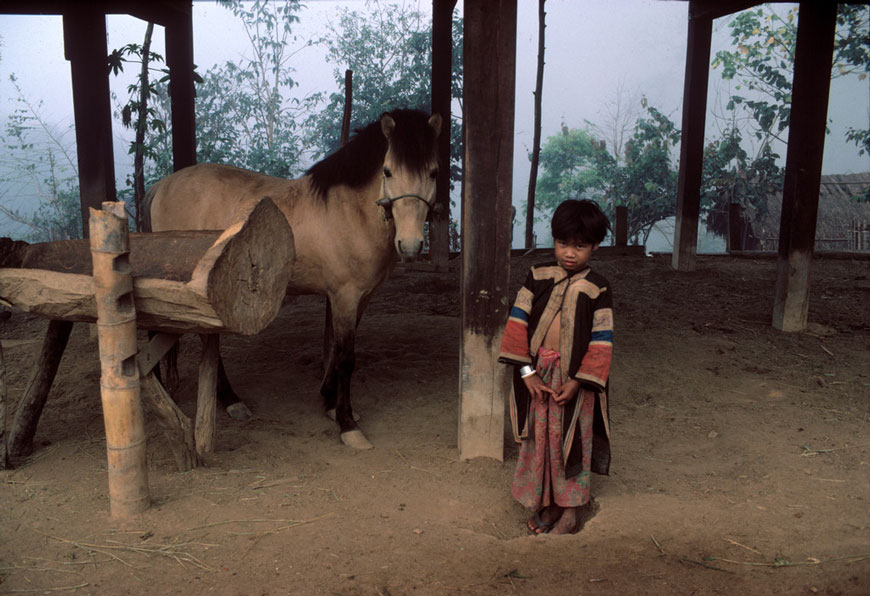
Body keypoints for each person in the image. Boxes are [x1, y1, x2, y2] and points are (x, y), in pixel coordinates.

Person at [499, 199, 614, 535]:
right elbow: (517, 323)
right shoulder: (536, 276)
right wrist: (527, 373)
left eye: (580, 246)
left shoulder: (599, 286)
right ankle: (548, 501)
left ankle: (571, 510)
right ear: (554, 239)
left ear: (595, 246)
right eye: (563, 243)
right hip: (538, 377)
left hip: (574, 381)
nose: (569, 253)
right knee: (540, 440)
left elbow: (601, 340)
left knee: (573, 439)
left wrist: (578, 382)